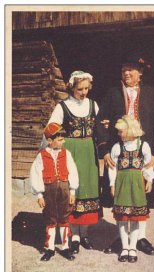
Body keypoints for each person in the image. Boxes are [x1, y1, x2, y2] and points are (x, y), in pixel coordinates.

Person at [97, 56, 154, 255]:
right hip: (119, 154)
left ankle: (140, 238)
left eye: (131, 69)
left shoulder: (153, 94)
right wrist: (105, 149)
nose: (126, 73)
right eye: (124, 69)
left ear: (140, 73)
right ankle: (121, 239)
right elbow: (100, 120)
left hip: (143, 154)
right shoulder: (112, 94)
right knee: (118, 195)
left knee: (142, 195)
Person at [47, 70, 102, 254]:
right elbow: (51, 128)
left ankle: (84, 234)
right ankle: (73, 236)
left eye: (87, 88)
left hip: (88, 153)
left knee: (87, 189)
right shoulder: (62, 107)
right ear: (72, 88)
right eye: (80, 89)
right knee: (72, 191)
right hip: (71, 152)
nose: (84, 92)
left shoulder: (93, 105)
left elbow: (101, 125)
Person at [30, 122, 79, 261]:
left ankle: (65, 247)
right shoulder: (42, 155)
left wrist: (73, 191)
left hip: (64, 188)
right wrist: (39, 194)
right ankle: (50, 248)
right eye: (59, 139)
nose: (63, 142)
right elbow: (36, 174)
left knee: (64, 217)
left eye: (63, 139)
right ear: (50, 140)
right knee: (50, 217)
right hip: (48, 190)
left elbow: (73, 171)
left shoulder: (66, 153)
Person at [109, 115, 154, 262]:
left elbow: (148, 164)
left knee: (136, 218)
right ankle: (124, 247)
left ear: (130, 130)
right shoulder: (117, 147)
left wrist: (149, 179)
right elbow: (113, 168)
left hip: (137, 185)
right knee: (122, 218)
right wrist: (112, 184)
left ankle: (133, 248)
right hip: (122, 184)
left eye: (121, 131)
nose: (118, 134)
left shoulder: (143, 145)